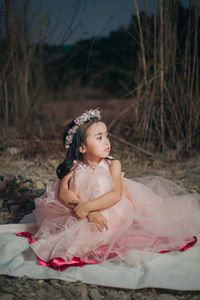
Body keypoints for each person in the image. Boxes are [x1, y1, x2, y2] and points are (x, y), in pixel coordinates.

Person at [30, 108, 200, 268]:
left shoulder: (113, 164)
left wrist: (89, 207)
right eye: (99, 138)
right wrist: (87, 211)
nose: (106, 142)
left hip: (113, 209)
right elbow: (64, 193)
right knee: (76, 221)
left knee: (104, 227)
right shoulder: (74, 166)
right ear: (82, 147)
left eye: (106, 136)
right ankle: (75, 246)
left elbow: (116, 195)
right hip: (77, 206)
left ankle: (77, 248)